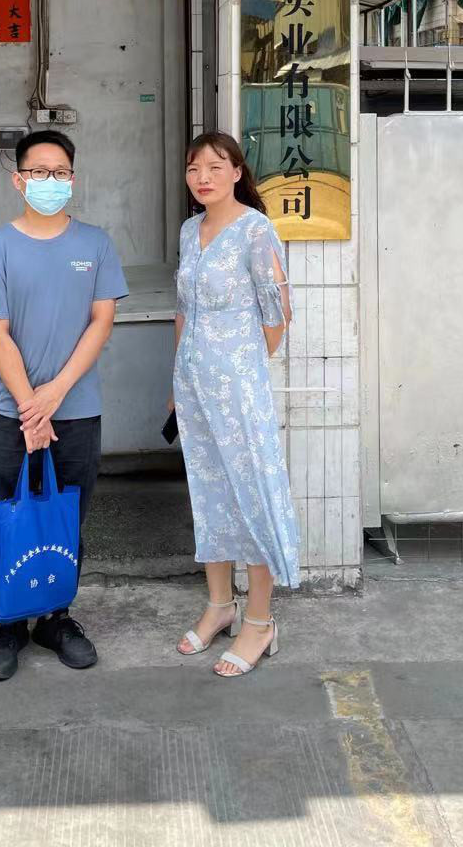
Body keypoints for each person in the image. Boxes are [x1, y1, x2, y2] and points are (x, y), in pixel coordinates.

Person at [0, 128, 128, 682]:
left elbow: (101, 322)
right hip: (10, 412)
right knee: (10, 514)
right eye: (39, 172)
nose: (50, 181)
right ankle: (10, 623)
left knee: (67, 516)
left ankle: (56, 618)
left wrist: (56, 393)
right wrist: (30, 408)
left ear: (73, 180)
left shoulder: (95, 244)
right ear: (19, 181)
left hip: (77, 409)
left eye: (60, 172)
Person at [172, 130, 299, 678]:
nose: (203, 177)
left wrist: (239, 369)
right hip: (192, 388)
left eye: (215, 166)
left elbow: (277, 314)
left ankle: (260, 620)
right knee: (210, 495)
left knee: (252, 498)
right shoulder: (189, 231)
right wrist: (180, 377)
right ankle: (220, 605)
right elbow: (184, 310)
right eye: (194, 168)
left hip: (238, 393)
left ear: (237, 173)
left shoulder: (255, 229)